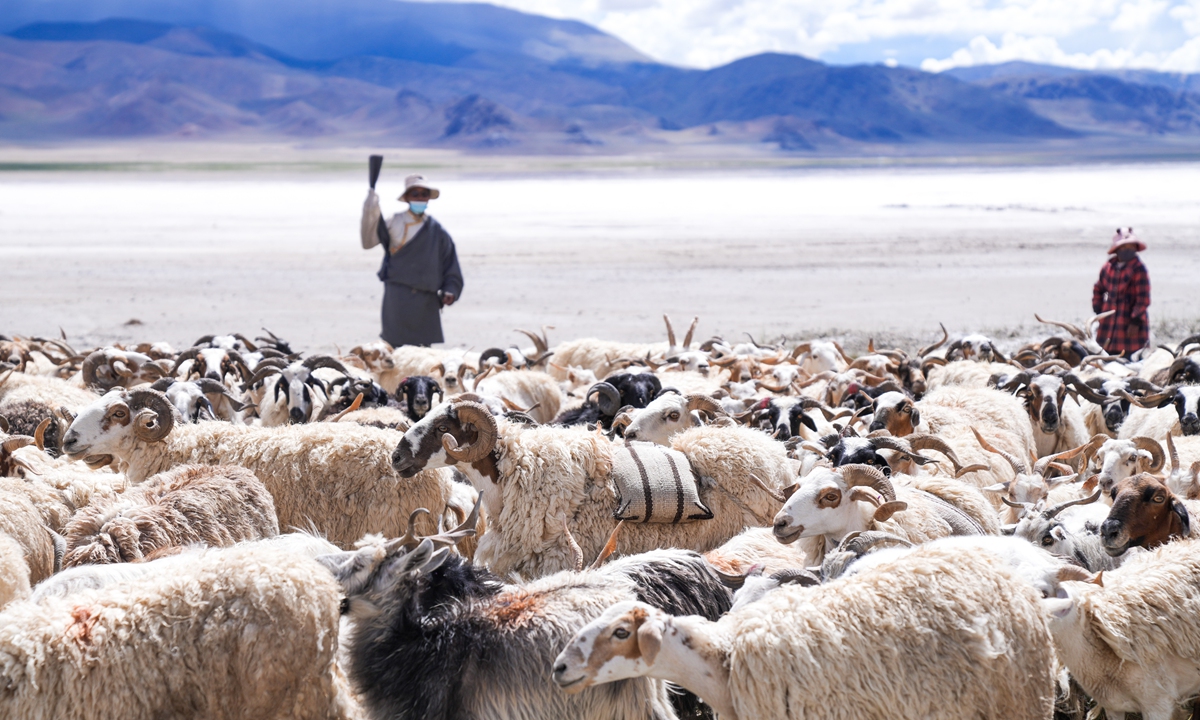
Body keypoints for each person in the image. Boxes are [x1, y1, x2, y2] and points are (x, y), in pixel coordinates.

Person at [361, 174, 463, 347]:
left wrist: (450, 289)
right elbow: (368, 241)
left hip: (426, 301)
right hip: (397, 296)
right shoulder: (394, 222)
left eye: (424, 194)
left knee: (422, 354)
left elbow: (450, 262)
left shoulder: (436, 230)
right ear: (407, 197)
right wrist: (370, 209)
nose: (420, 198)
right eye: (415, 194)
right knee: (395, 349)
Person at [1092, 227, 1150, 357]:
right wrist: (1098, 309)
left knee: (1132, 358)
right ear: (1117, 249)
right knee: (1105, 356)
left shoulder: (1139, 269)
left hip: (1129, 322)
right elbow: (1098, 288)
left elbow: (1143, 299)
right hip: (1108, 320)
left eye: (1131, 247)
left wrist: (1135, 321)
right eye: (1124, 247)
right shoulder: (1108, 267)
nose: (1128, 250)